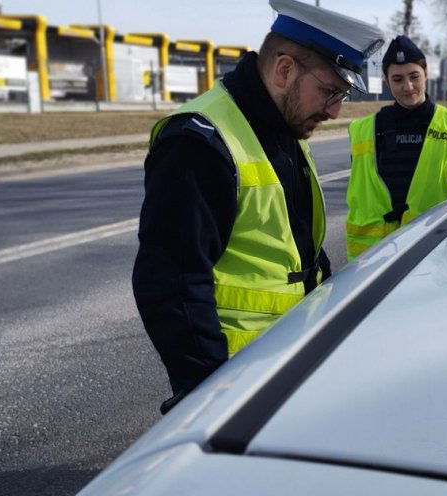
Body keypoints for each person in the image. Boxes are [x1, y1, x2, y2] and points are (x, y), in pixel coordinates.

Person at [132, 0, 384, 413]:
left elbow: (296, 249)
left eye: (342, 95)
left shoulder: (281, 127)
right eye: (329, 91)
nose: (336, 111)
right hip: (237, 383)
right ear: (284, 70)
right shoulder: (198, 142)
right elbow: (171, 284)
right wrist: (208, 396)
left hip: (283, 364)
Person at [345, 35, 447, 260]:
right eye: (398, 79)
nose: (408, 86)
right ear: (386, 80)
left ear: (426, 74)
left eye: (414, 77)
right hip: (376, 261)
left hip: (434, 254)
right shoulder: (367, 129)